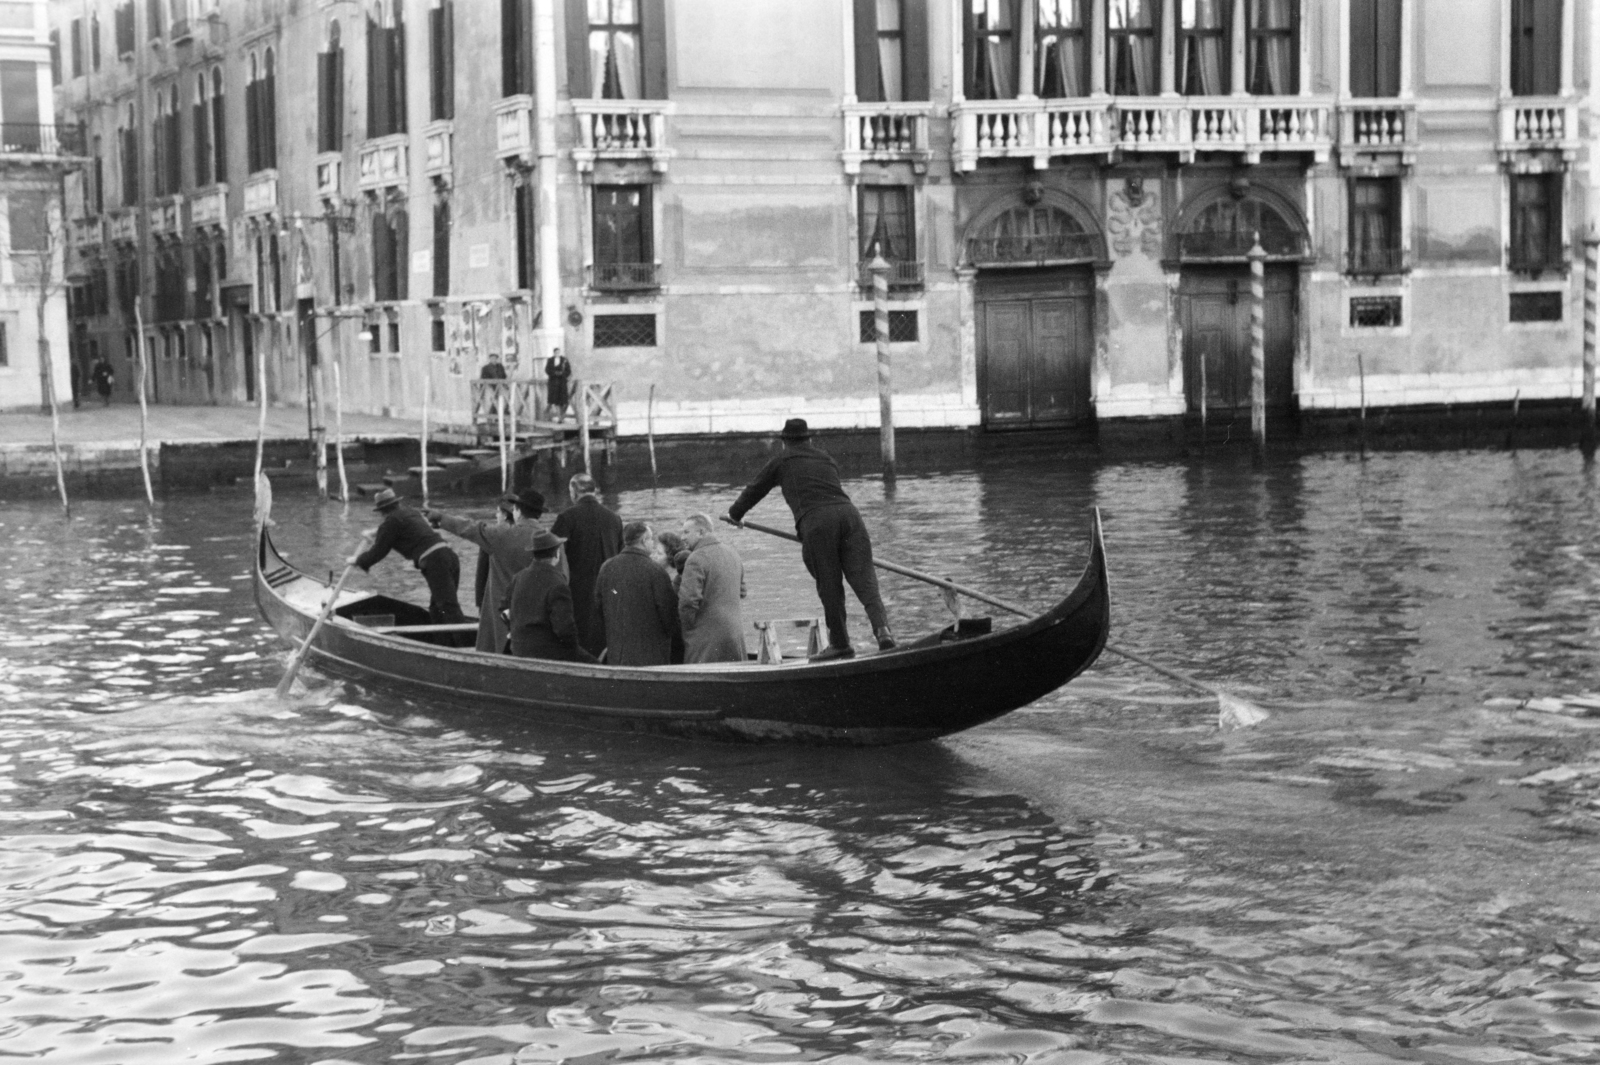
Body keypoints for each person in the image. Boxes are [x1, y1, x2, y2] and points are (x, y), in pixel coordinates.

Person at [726, 417, 893, 661]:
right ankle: (883, 632)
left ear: (784, 442)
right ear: (809, 439)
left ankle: (841, 644)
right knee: (866, 582)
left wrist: (735, 514)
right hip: (850, 516)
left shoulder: (781, 461)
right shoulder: (826, 459)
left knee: (830, 586)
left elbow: (755, 489)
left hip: (817, 523)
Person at [424, 488, 545, 654]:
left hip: (503, 612)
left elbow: (471, 528)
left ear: (517, 511)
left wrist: (441, 519)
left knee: (497, 649)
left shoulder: (501, 535)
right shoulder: (551, 541)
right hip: (537, 614)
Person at [351, 488, 466, 625]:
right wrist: (374, 532)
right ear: (396, 504)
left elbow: (378, 552)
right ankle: (444, 642)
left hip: (436, 561)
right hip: (449, 556)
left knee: (447, 607)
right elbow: (396, 527)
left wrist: (357, 560)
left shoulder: (391, 522)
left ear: (382, 511)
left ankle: (462, 645)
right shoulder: (411, 513)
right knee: (437, 608)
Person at [550, 472, 622, 657]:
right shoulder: (614, 518)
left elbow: (553, 555)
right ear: (595, 491)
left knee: (581, 638)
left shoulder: (567, 517)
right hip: (610, 588)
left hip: (578, 590)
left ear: (574, 492)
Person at [502, 529, 596, 662]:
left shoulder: (518, 577)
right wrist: (574, 648)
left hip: (518, 648)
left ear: (534, 554)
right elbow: (564, 629)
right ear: (556, 554)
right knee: (595, 664)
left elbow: (504, 610)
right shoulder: (558, 583)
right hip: (547, 652)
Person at [594, 521, 681, 666]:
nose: (652, 543)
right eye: (651, 539)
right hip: (651, 655)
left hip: (617, 652)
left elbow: (599, 604)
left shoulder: (606, 567)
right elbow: (668, 614)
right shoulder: (655, 571)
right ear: (644, 540)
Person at [677, 512, 748, 664]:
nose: (682, 537)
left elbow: (688, 601)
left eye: (686, 532)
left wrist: (688, 629)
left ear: (701, 532)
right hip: (735, 635)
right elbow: (742, 592)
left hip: (705, 640)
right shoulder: (733, 553)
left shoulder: (696, 558)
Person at [544, 350, 573, 421]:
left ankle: (561, 417)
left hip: (562, 383)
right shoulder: (550, 360)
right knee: (553, 400)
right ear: (553, 353)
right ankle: (557, 417)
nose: (557, 354)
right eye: (556, 352)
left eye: (558, 352)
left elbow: (568, 371)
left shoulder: (564, 360)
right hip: (553, 382)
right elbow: (547, 370)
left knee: (563, 400)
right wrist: (554, 373)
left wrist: (562, 374)